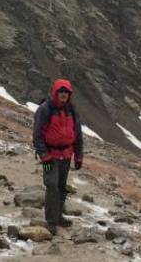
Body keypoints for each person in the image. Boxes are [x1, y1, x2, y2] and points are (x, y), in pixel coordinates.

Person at [32, 78, 84, 235]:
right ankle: (51, 221)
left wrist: (79, 155)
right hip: (49, 157)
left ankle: (58, 216)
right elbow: (37, 135)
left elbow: (78, 134)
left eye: (66, 92)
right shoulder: (45, 109)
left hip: (66, 156)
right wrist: (43, 154)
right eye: (61, 91)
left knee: (61, 186)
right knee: (51, 185)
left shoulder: (72, 111)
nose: (63, 94)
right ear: (55, 92)